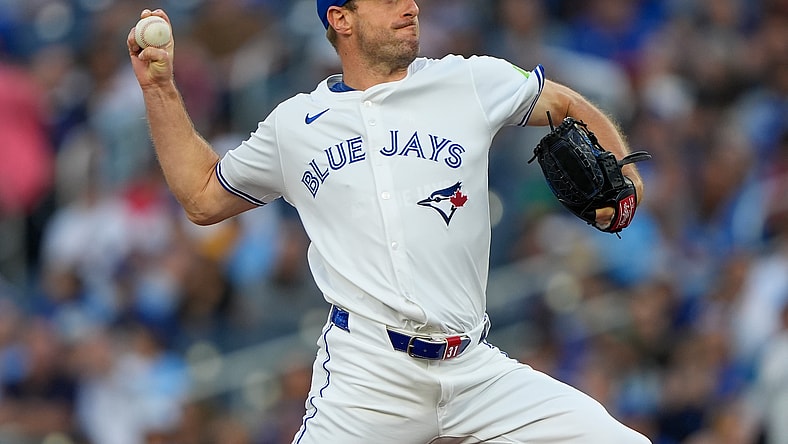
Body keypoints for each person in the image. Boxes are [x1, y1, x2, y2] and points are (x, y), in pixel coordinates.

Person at [127, 2, 651, 443]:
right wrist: (160, 91)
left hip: (473, 367)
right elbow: (201, 196)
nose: (412, 5)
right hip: (369, 374)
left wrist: (626, 175)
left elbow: (563, 102)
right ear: (342, 18)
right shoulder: (295, 124)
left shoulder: (466, 79)